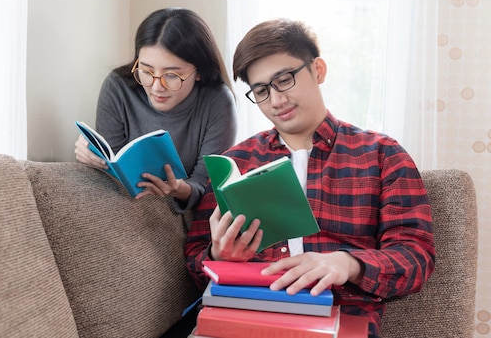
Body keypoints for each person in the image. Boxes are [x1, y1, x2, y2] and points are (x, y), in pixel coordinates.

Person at [184, 18, 435, 337]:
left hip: (338, 321)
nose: (276, 101)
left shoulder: (382, 154)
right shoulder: (235, 163)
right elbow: (194, 260)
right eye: (261, 91)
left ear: (318, 70)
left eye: (284, 80)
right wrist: (219, 256)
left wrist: (348, 264)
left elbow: (416, 256)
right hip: (246, 319)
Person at [75, 7, 237, 212]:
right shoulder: (118, 87)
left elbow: (207, 188)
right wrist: (93, 157)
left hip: (183, 214)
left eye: (171, 75)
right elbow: (114, 166)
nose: (156, 86)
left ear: (198, 73)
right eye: (146, 71)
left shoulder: (218, 101)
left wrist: (178, 189)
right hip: (123, 206)